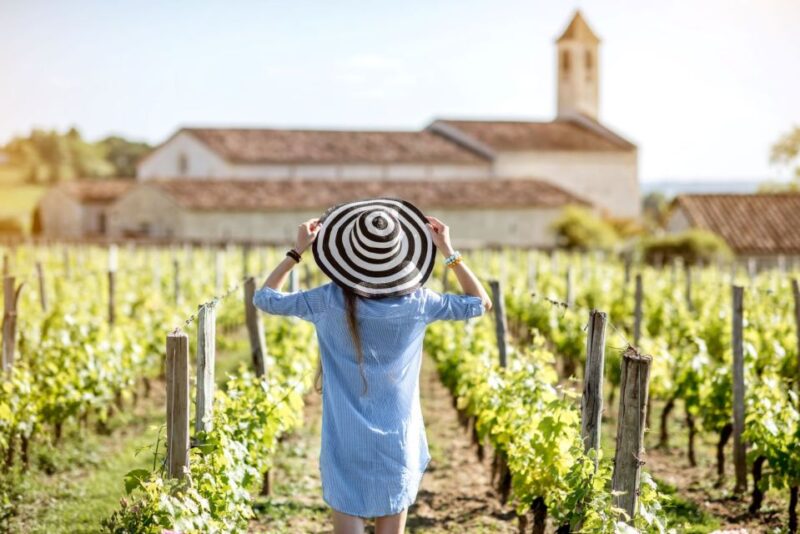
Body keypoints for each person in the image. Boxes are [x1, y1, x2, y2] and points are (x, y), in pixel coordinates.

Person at [253, 198, 492, 534]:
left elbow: (264, 299)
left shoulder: (327, 300)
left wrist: (296, 252)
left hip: (344, 441)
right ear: (404, 254)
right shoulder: (419, 303)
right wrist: (449, 251)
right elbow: (480, 304)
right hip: (399, 440)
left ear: (347, 257)